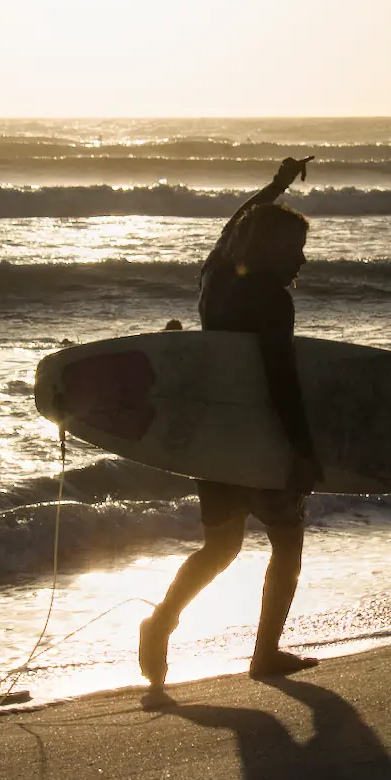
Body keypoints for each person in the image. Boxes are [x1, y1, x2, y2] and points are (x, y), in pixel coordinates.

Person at [140, 156, 323, 689]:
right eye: (294, 250)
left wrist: (276, 186)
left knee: (220, 548)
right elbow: (280, 380)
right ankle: (265, 653)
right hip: (256, 441)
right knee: (287, 544)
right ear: (268, 249)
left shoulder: (216, 278)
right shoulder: (273, 302)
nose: (301, 262)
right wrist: (302, 450)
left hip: (211, 439)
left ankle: (161, 622)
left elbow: (232, 226)